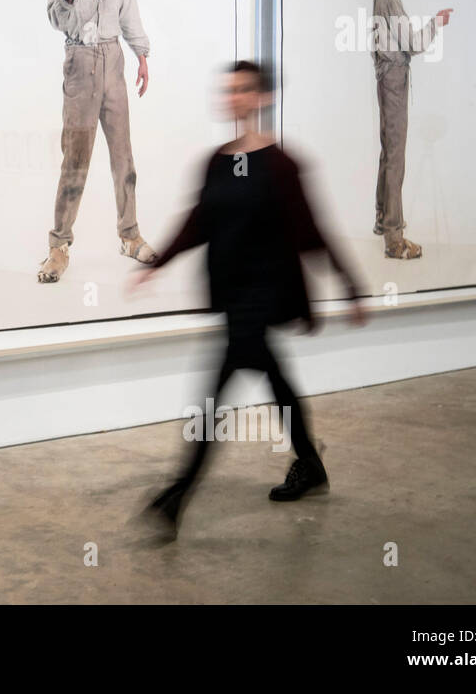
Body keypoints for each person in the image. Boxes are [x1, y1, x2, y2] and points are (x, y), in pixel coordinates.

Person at [128, 61, 366, 540]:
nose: (232, 97)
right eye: (228, 90)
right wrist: (157, 263)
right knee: (276, 382)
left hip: (266, 293)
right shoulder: (217, 161)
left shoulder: (282, 165)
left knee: (212, 398)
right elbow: (198, 221)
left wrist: (350, 285)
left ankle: (177, 493)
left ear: (261, 98)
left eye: (242, 90)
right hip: (233, 294)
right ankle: (312, 465)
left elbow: (311, 231)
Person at [38, 0, 157, 283]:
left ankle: (130, 234)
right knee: (76, 159)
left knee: (123, 155)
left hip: (114, 60)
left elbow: (128, 10)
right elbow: (54, 16)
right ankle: (59, 245)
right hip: (81, 61)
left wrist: (141, 53)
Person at [370, 0, 453, 259]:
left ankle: (383, 222)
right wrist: (436, 24)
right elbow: (414, 43)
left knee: (388, 153)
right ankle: (394, 238)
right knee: (396, 158)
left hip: (388, 78)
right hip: (393, 82)